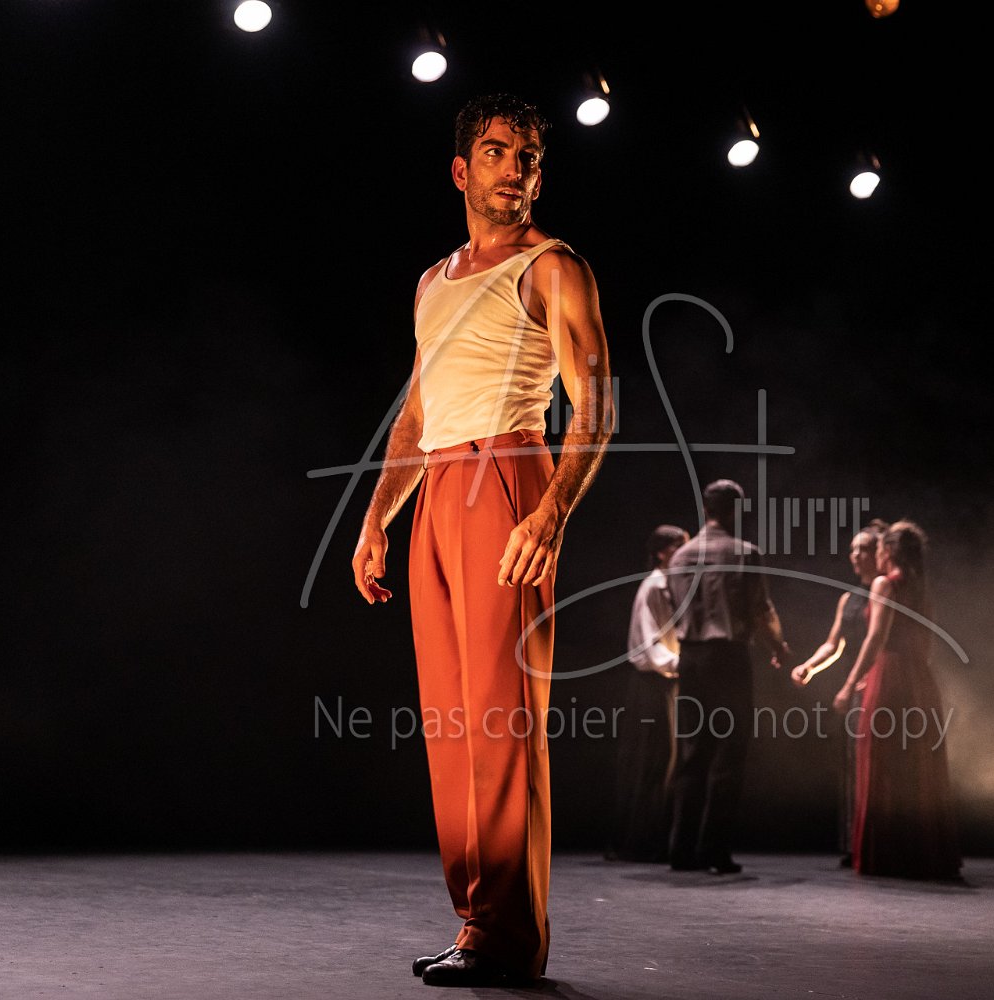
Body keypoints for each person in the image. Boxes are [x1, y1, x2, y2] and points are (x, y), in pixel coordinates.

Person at [349, 93, 614, 987]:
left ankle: (508, 937)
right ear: (462, 170)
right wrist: (376, 518)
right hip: (437, 491)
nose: (516, 168)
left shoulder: (554, 267)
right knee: (452, 726)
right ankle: (476, 923)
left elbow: (597, 404)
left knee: (503, 721)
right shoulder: (432, 282)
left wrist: (551, 511)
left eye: (529, 155)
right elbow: (416, 414)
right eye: (498, 152)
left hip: (508, 476)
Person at [664, 479, 794, 874]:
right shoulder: (745, 553)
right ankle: (713, 851)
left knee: (691, 754)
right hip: (729, 660)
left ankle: (681, 850)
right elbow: (760, 608)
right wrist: (777, 647)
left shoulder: (680, 556)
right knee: (728, 755)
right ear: (735, 510)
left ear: (706, 509)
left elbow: (674, 609)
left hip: (691, 658)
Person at [831, 520, 962, 880]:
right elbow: (927, 641)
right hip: (920, 678)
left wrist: (850, 684)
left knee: (884, 763)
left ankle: (888, 855)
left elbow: (875, 639)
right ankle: (920, 854)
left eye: (878, 549)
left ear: (887, 551)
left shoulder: (884, 584)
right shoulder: (920, 588)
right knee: (917, 765)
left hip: (888, 677)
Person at [788, 519, 887, 866]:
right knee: (852, 762)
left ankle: (880, 841)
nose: (855, 555)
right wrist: (808, 667)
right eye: (853, 549)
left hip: (879, 681)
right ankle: (854, 844)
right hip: (857, 684)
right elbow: (834, 644)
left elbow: (882, 640)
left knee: (878, 762)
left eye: (864, 549)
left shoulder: (888, 590)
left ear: (880, 553)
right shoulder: (849, 598)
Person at [607, 524, 688, 863]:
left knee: (663, 763)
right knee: (648, 762)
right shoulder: (653, 586)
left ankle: (652, 839)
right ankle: (635, 843)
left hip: (664, 682)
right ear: (661, 553)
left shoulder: (671, 586)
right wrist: (687, 665)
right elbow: (651, 645)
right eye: (678, 547)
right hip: (650, 684)